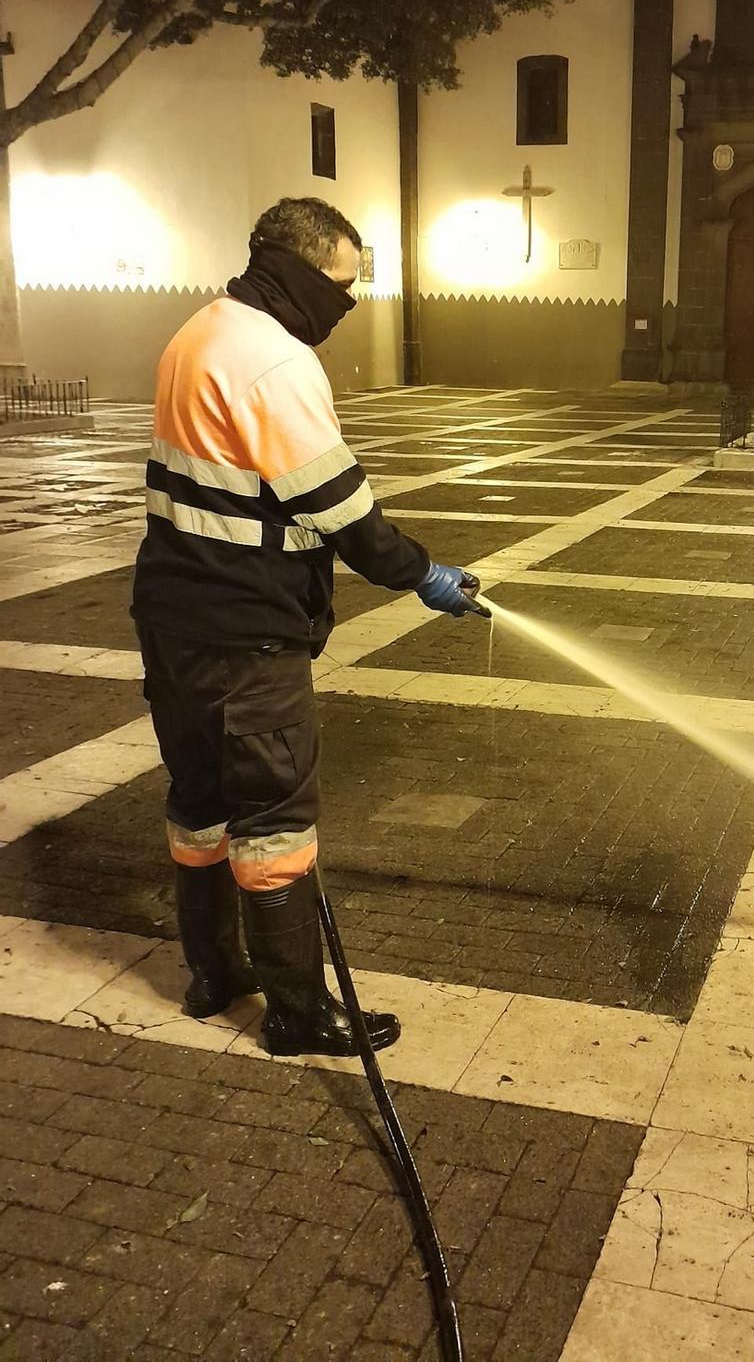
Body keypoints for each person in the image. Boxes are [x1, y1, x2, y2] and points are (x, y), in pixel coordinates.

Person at [131, 197, 480, 1057]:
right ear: (297, 268)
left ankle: (214, 974)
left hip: (172, 619)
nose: (346, 306)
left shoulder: (196, 334)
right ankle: (296, 1011)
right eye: (342, 285)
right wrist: (423, 574)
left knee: (199, 801)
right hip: (249, 631)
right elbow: (340, 507)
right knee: (276, 817)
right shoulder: (271, 360)